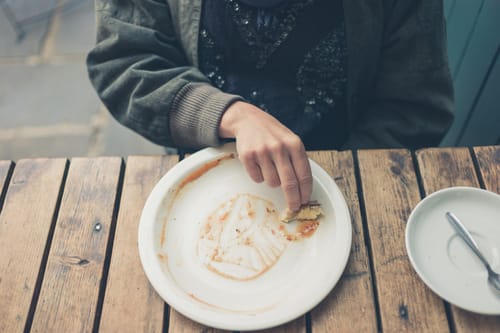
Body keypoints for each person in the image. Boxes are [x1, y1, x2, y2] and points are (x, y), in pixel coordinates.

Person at [86, 0, 454, 212]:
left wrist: (338, 185)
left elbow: (414, 107)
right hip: (201, 171)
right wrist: (228, 114)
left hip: (344, 177)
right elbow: (125, 61)